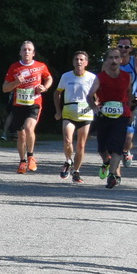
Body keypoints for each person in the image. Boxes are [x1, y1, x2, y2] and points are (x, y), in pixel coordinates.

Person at [2, 42, 53, 174]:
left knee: (29, 128)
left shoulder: (40, 66)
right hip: (18, 105)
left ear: (33, 53)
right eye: (24, 50)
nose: (27, 52)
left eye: (29, 50)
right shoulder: (14, 67)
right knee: (21, 135)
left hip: (34, 103)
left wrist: (44, 87)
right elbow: (5, 88)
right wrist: (16, 83)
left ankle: (30, 156)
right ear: (20, 52)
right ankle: (22, 162)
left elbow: (49, 78)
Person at [93, 45, 134, 188]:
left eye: (116, 58)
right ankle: (106, 162)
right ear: (107, 61)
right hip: (104, 115)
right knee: (102, 147)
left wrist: (129, 110)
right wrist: (94, 106)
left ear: (121, 60)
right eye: (111, 58)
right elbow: (90, 94)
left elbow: (129, 94)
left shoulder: (127, 77)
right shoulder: (100, 77)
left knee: (116, 146)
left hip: (121, 115)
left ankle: (112, 175)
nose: (114, 60)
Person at [55, 50, 97, 184]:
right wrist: (58, 111)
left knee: (81, 145)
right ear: (73, 62)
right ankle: (68, 160)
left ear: (86, 63)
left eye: (81, 60)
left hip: (85, 113)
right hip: (69, 112)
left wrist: (96, 106)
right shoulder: (66, 76)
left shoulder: (92, 77)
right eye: (76, 59)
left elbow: (98, 96)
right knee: (67, 140)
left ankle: (76, 172)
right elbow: (57, 93)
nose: (79, 62)